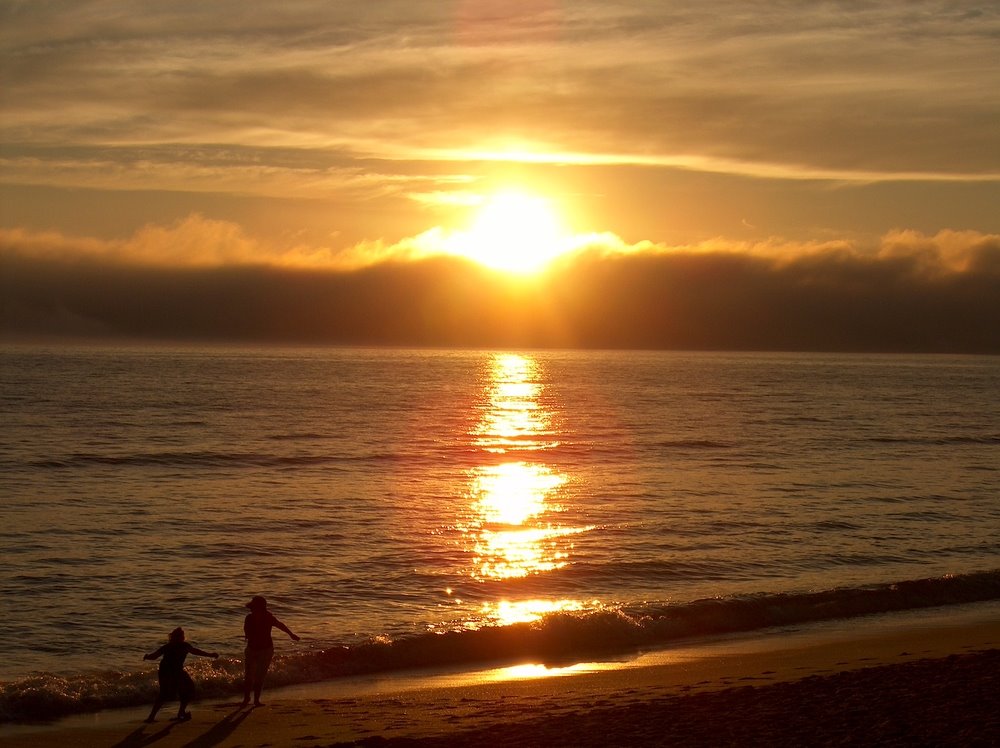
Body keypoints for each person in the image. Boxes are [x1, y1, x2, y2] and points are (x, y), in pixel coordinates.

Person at [143, 627, 218, 723]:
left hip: (172, 671)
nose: (181, 637)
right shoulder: (175, 646)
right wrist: (148, 656)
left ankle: (177, 713)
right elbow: (154, 656)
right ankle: (155, 716)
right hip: (168, 671)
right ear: (175, 637)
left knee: (185, 689)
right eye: (180, 636)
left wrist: (210, 655)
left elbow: (154, 656)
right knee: (167, 693)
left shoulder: (175, 646)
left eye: (181, 636)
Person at [242, 595, 299, 707]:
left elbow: (280, 625)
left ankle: (256, 700)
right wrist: (249, 635)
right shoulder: (249, 618)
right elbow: (246, 632)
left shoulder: (268, 617)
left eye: (255, 606)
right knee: (249, 675)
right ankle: (246, 698)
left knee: (260, 675)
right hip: (251, 649)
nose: (253, 609)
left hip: (266, 650)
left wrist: (291, 634)